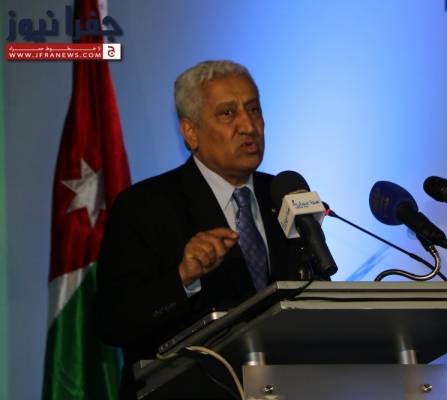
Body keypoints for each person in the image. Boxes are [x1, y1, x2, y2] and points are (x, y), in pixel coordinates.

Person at [94, 60, 308, 399]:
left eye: (253, 109)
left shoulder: (285, 193)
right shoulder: (144, 206)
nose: (248, 125)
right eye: (228, 113)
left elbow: (314, 295)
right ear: (190, 132)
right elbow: (112, 321)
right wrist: (182, 278)